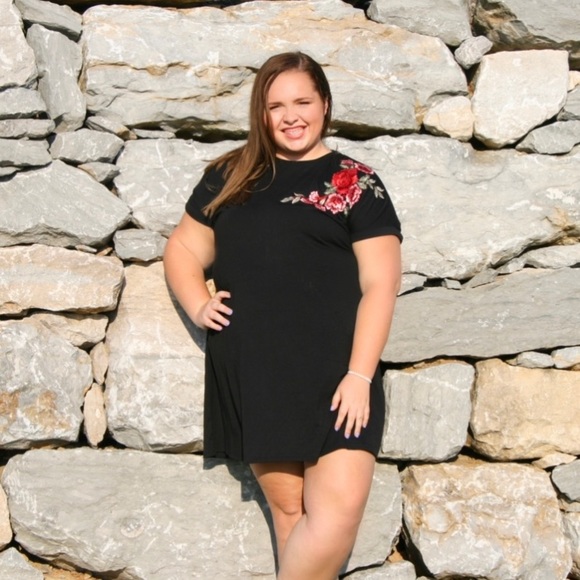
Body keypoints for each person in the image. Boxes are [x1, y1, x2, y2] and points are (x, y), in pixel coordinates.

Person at [164, 51, 402, 579]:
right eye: (276, 106)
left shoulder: (356, 182)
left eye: (302, 102)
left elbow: (381, 285)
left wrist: (360, 376)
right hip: (258, 369)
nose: (291, 116)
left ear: (325, 104)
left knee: (336, 517)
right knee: (289, 512)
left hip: (340, 374)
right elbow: (182, 249)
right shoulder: (230, 177)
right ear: (262, 113)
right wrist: (198, 303)